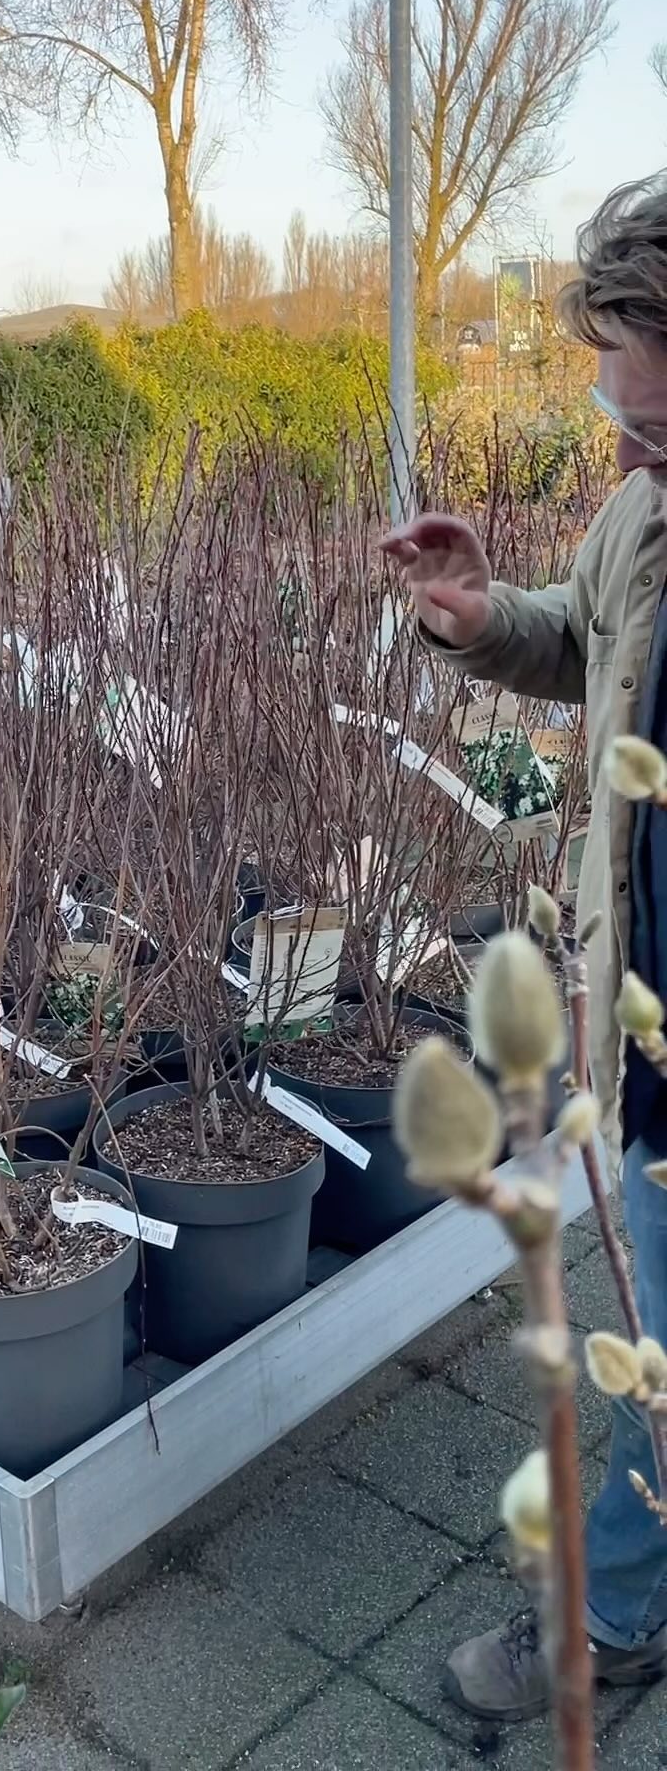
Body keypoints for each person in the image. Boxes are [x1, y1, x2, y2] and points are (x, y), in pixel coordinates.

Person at [383, 174, 667, 1723]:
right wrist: (480, 614)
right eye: (617, 419)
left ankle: (608, 1625)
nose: (627, 456)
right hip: (646, 1022)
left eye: (659, 430)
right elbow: (589, 638)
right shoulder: (643, 512)